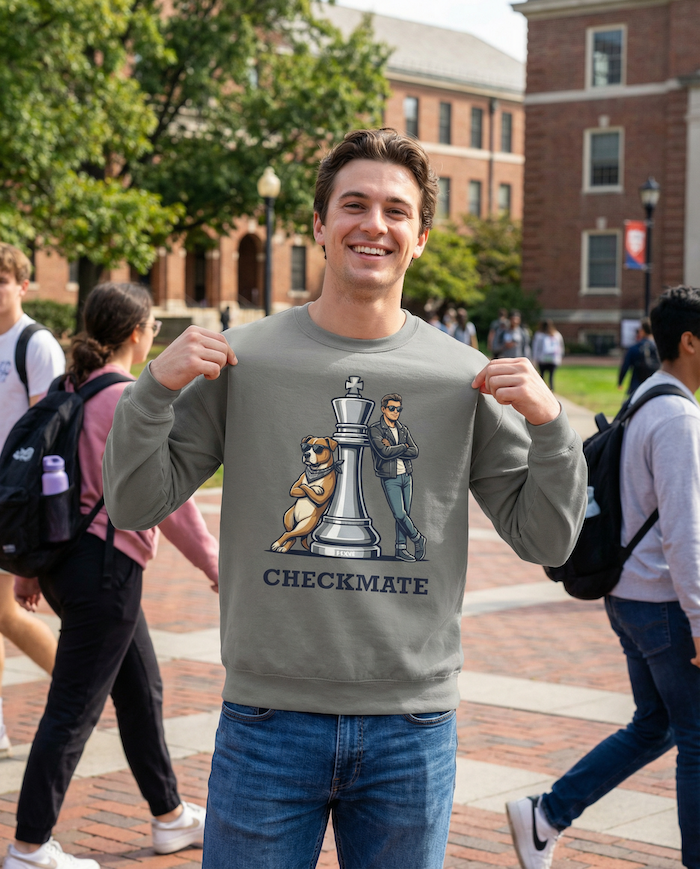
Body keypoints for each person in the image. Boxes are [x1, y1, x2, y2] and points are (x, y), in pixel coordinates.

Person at [103, 128, 587, 869]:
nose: (374, 224)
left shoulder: (464, 375)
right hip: (267, 718)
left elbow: (548, 541)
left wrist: (553, 429)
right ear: (319, 227)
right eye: (353, 204)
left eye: (396, 210)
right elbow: (134, 503)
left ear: (420, 236)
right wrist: (151, 394)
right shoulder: (243, 358)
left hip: (411, 725)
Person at [5, 283, 219, 869]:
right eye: (151, 327)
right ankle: (28, 847)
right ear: (138, 332)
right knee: (72, 709)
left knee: (140, 692)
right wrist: (211, 560)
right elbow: (169, 499)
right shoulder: (128, 396)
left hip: (69, 565)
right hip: (106, 569)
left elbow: (54, 485)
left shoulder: (65, 387)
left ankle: (170, 816)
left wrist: (31, 571)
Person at [506, 286, 700, 869]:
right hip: (665, 604)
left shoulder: (645, 399)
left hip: (629, 599)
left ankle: (547, 813)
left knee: (656, 725)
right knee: (695, 739)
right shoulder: (678, 418)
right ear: (690, 341)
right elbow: (685, 532)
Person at [0, 243, 63, 759]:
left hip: (13, 502)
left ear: (22, 285)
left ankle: (83, 686)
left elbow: (49, 432)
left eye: (3, 280)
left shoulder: (35, 345)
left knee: (5, 613)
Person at [368, 393, 425, 562]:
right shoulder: (375, 429)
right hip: (390, 476)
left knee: (405, 514)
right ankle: (417, 538)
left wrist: (394, 446)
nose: (395, 412)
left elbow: (414, 451)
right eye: (391, 408)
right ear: (383, 409)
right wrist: (403, 447)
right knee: (399, 514)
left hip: (406, 475)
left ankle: (401, 549)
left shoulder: (402, 429)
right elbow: (383, 453)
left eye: (398, 409)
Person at [618, 316, 660, 395]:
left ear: (642, 331)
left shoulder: (634, 348)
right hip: (654, 387)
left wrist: (620, 382)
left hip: (636, 387)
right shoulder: (659, 349)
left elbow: (625, 366)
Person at [531, 319, 564, 390]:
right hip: (553, 359)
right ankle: (552, 390)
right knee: (551, 377)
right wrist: (559, 358)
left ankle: (542, 390)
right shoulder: (556, 334)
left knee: (542, 376)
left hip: (542, 359)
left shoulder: (539, 335)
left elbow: (536, 348)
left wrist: (535, 359)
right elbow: (561, 347)